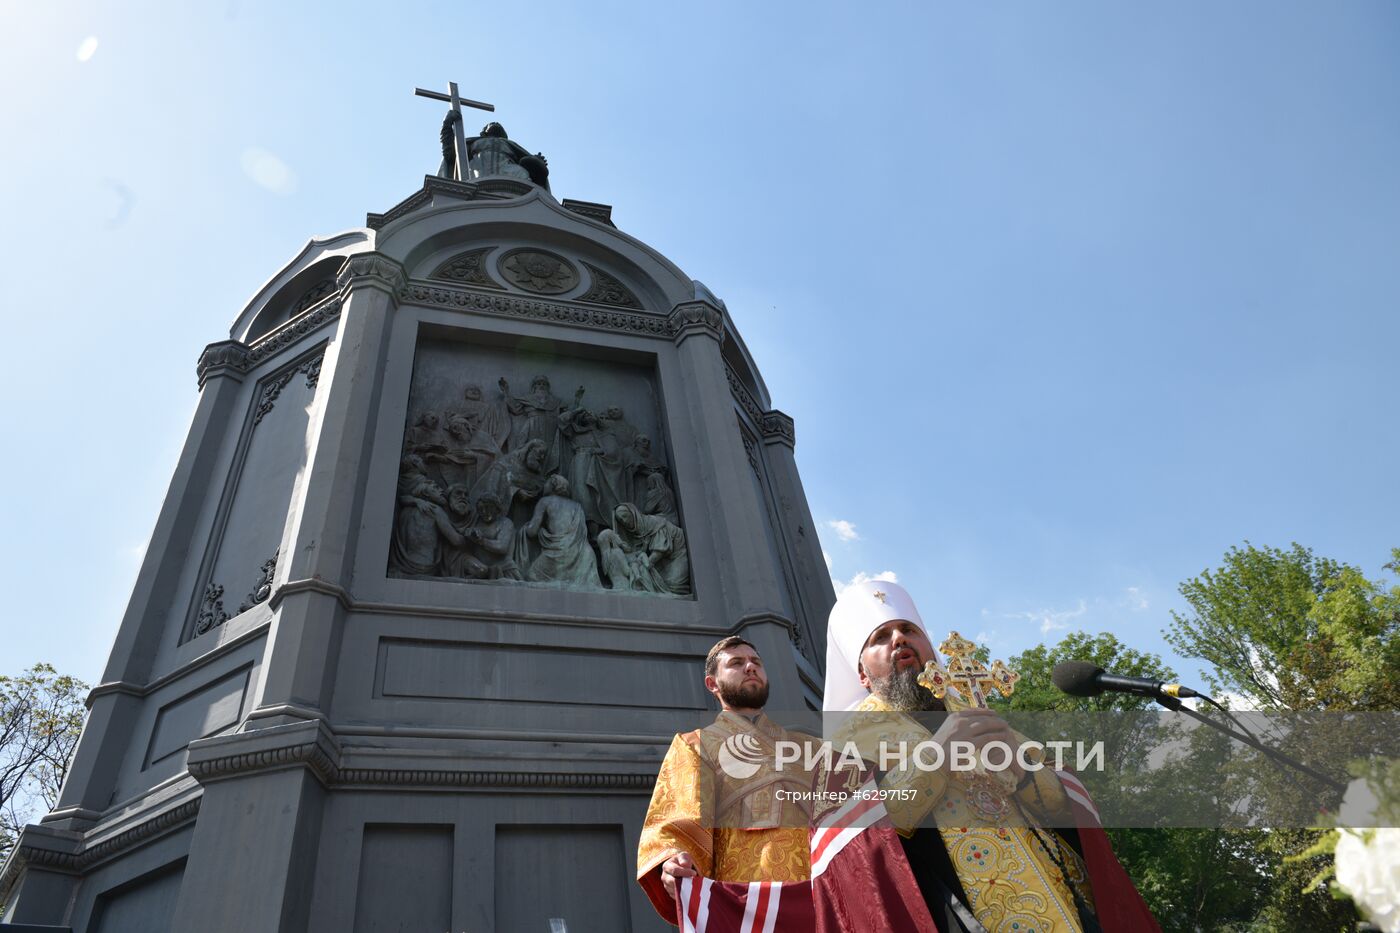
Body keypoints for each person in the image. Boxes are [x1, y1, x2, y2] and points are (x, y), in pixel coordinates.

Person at [824, 580, 1159, 933]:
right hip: (959, 913)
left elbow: (1067, 808)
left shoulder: (976, 711)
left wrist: (1025, 772)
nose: (899, 639)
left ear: (932, 652)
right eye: (880, 637)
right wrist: (937, 757)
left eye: (908, 629)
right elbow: (858, 846)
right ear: (861, 673)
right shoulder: (847, 743)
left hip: (1069, 903)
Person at [636, 637, 815, 924]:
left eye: (756, 662)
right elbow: (677, 825)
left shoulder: (811, 749)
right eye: (736, 663)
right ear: (713, 684)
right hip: (749, 906)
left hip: (820, 898)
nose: (750, 667)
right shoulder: (696, 745)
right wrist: (672, 861)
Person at [518, 474, 600, 587]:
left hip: (557, 552)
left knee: (531, 577)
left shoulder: (545, 501)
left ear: (553, 485)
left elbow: (531, 532)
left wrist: (527, 529)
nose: (544, 486)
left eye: (546, 483)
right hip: (584, 554)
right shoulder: (577, 506)